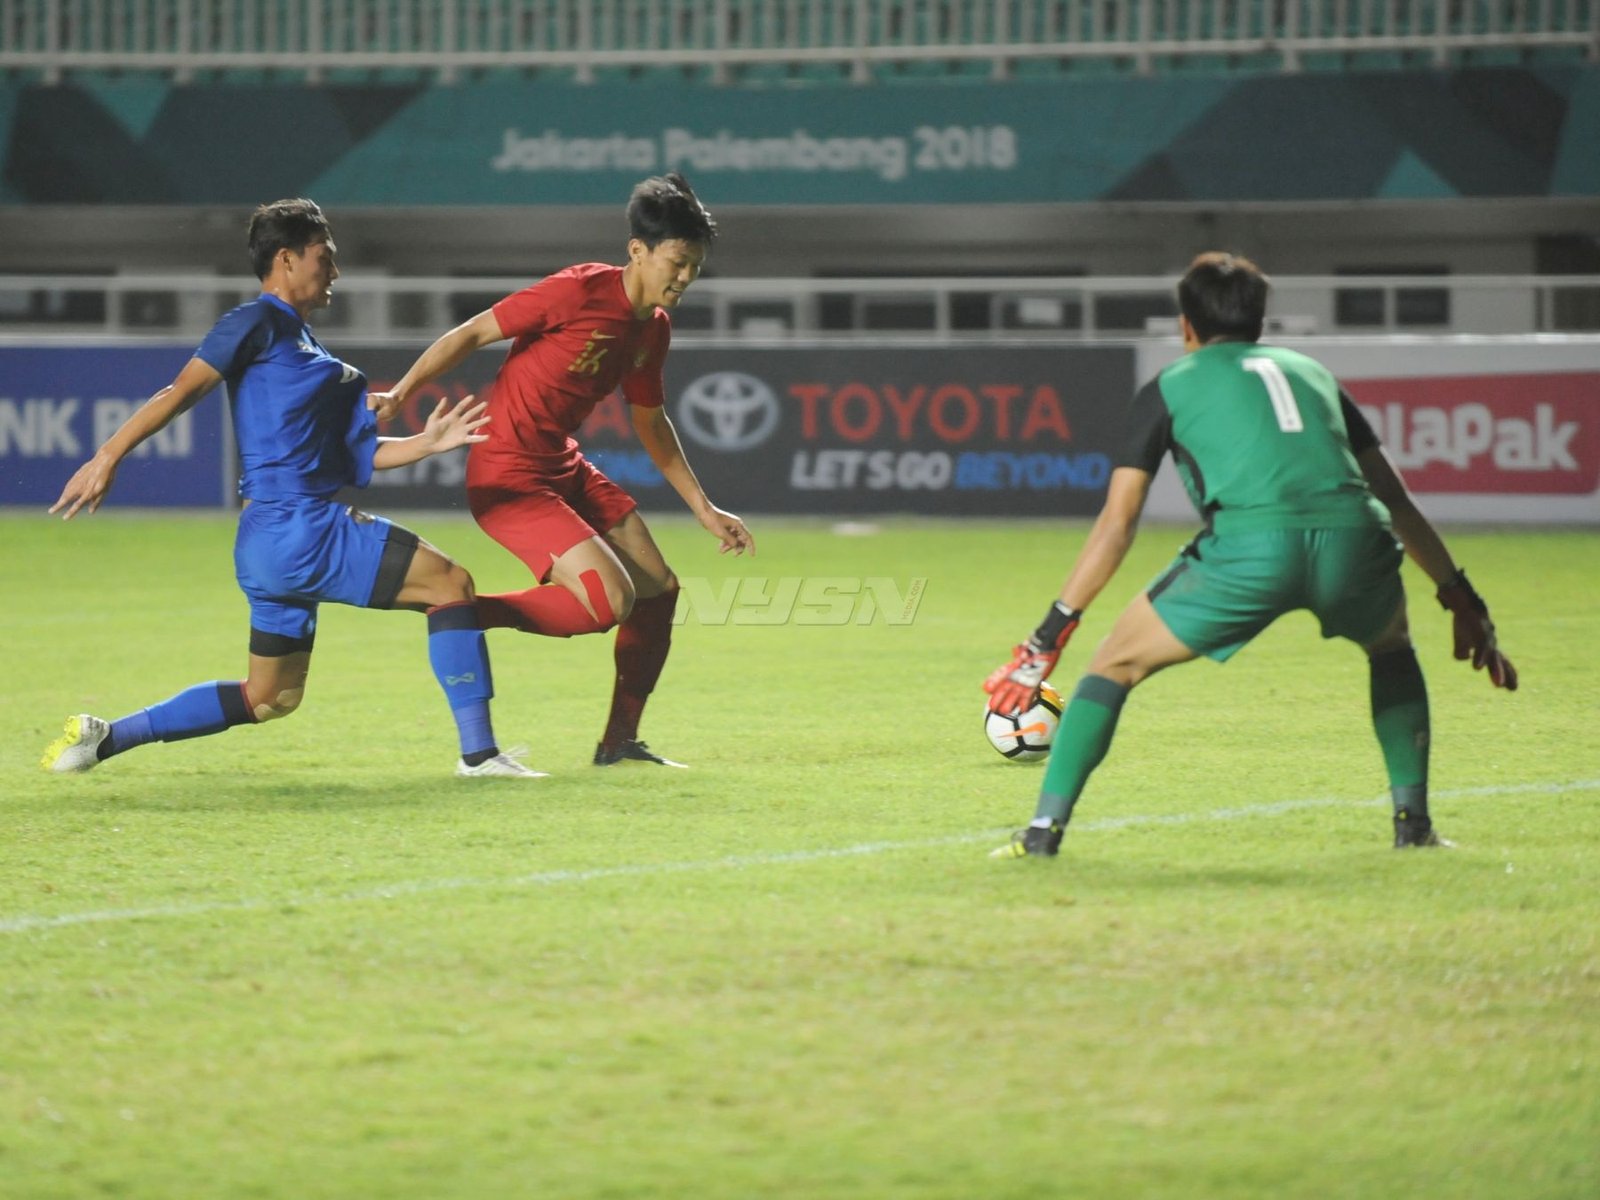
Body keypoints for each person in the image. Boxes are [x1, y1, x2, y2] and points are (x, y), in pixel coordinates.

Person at [984, 251, 1518, 858]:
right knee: (1391, 647)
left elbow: (1119, 521)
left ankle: (1042, 833)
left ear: (1186, 325)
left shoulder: (1169, 386)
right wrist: (1461, 597)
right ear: (1259, 321)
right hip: (1354, 541)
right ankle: (1414, 825)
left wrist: (1048, 637)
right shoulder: (1314, 374)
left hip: (1252, 549)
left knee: (1113, 666)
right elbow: (1394, 497)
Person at [41, 198, 542, 780]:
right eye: (324, 257)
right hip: (299, 527)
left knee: (270, 697)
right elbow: (179, 391)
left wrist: (425, 444)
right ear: (286, 259)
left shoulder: (307, 348)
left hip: (269, 544)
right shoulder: (256, 322)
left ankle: (104, 739)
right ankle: (480, 755)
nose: (335, 271)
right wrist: (108, 454)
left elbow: (355, 457)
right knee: (451, 584)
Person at [367, 172, 753, 770]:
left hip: (562, 466)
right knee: (609, 603)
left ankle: (619, 743)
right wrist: (400, 393)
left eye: (694, 268)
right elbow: (473, 332)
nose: (684, 277)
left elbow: (650, 420)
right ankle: (462, 612)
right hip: (506, 472)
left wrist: (704, 509)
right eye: (677, 262)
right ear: (638, 250)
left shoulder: (653, 328)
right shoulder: (578, 290)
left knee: (658, 591)